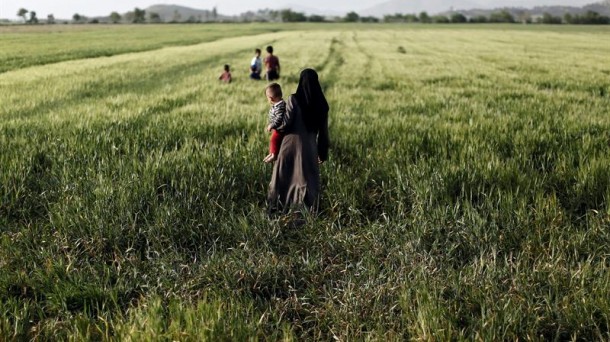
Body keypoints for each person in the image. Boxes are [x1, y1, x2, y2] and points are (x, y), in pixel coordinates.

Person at [267, 68, 330, 214]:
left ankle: (279, 207)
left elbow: (286, 123)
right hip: (310, 146)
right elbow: (324, 133)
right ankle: (307, 211)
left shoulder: (294, 99)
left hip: (290, 145)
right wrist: (322, 152)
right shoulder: (322, 105)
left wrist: (274, 125)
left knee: (283, 176)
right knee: (307, 178)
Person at [263, 83, 286, 163]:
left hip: (281, 129)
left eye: (267, 98)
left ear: (271, 98)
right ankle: (272, 153)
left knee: (274, 140)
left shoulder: (281, 106)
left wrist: (271, 125)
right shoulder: (277, 105)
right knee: (273, 140)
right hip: (277, 128)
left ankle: (274, 155)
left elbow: (279, 119)